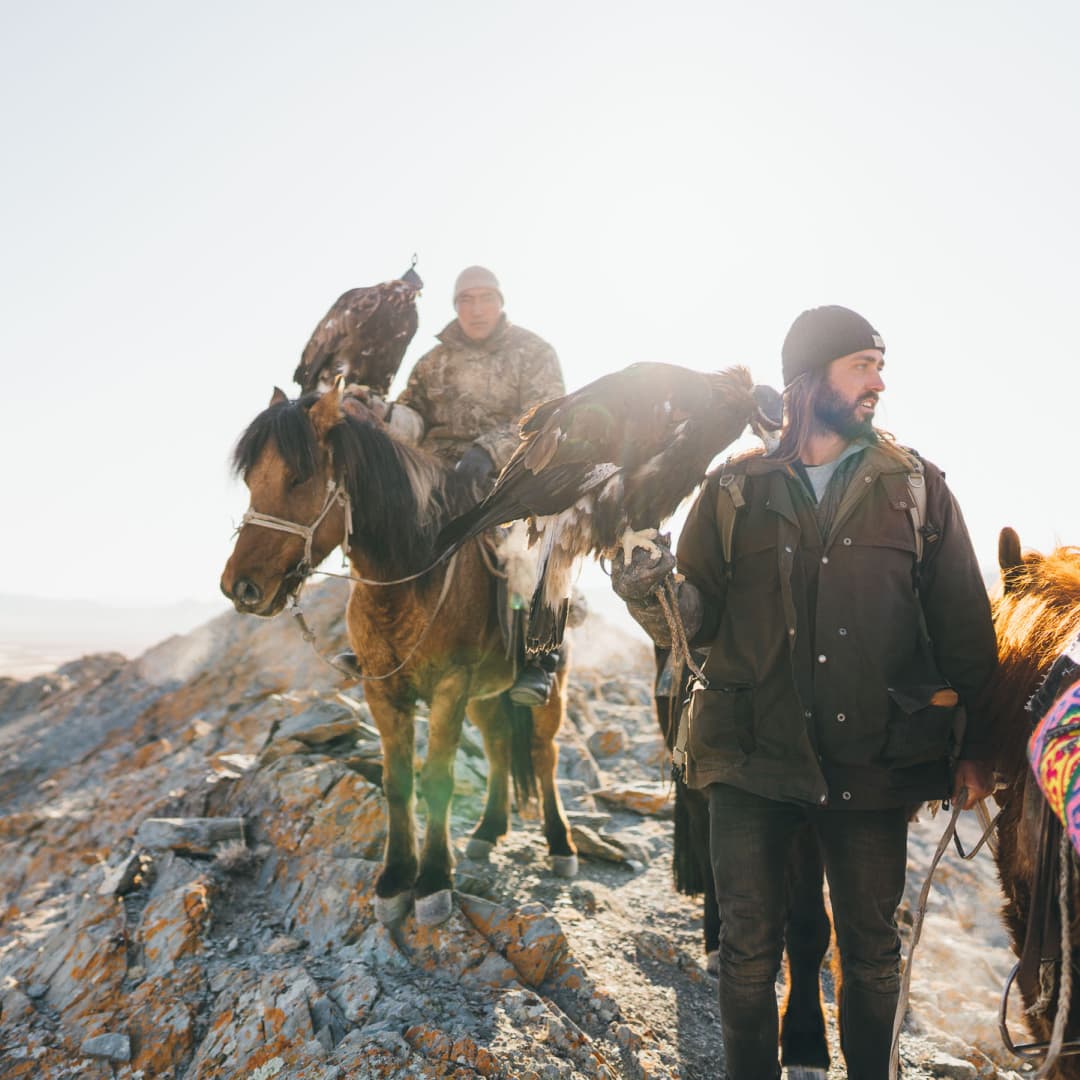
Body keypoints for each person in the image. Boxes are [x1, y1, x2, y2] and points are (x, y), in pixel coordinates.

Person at [612, 305, 998, 1079]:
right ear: (810, 378)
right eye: (862, 365)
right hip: (752, 756)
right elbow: (692, 620)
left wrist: (979, 749)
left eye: (879, 365)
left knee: (871, 952)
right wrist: (645, 590)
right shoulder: (730, 492)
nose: (879, 382)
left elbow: (963, 625)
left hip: (873, 759)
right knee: (747, 956)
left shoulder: (916, 488)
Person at [358, 265, 567, 705]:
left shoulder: (534, 353)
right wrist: (378, 410)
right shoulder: (432, 362)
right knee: (375, 526)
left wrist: (488, 450)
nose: (476, 309)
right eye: (466, 300)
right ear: (455, 306)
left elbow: (547, 416)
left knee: (522, 551)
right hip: (436, 474)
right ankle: (373, 643)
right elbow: (412, 419)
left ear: (501, 301)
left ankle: (536, 657)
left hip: (509, 473)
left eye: (485, 298)